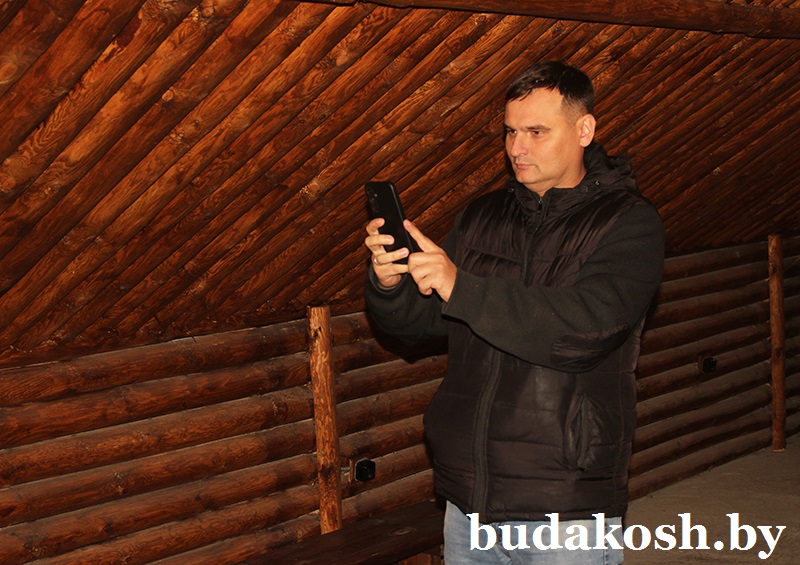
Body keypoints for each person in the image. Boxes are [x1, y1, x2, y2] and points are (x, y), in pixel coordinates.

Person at [364, 60, 664, 564]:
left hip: (563, 497)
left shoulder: (630, 222)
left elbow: (586, 328)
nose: (517, 148)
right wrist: (390, 284)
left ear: (584, 129)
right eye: (510, 132)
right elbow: (418, 327)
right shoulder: (481, 217)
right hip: (469, 492)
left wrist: (462, 288)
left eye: (536, 132)